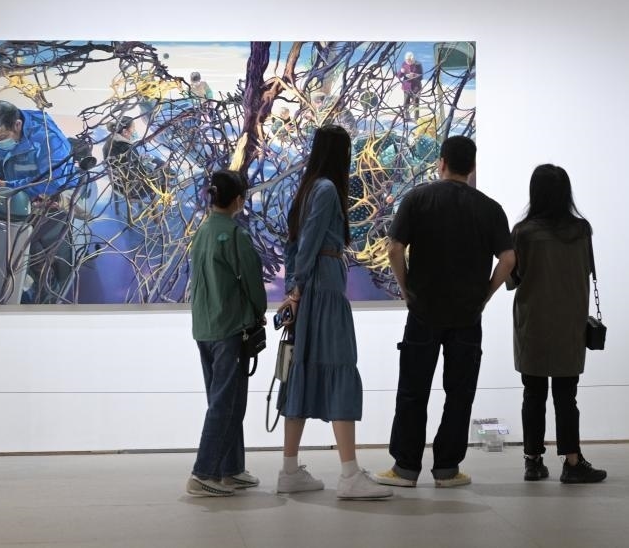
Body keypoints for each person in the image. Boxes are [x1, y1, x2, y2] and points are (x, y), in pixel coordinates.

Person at [375, 136, 515, 488]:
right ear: (472, 167)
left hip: (424, 309)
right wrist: (486, 294)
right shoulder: (489, 208)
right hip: (467, 314)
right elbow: (509, 259)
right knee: (459, 393)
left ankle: (405, 469)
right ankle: (447, 469)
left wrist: (406, 288)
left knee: (413, 390)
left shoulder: (418, 198)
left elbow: (394, 249)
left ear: (441, 163)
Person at [278, 124, 392, 500]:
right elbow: (309, 241)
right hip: (323, 289)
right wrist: (297, 287)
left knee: (301, 372)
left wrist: (293, 289)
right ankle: (349, 474)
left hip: (311, 290)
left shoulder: (309, 188)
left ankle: (290, 471)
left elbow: (294, 243)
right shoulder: (327, 189)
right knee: (341, 366)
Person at [509, 165, 607, 484]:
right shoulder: (581, 230)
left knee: (532, 393)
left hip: (532, 323)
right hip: (569, 323)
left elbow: (513, 278)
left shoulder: (523, 232)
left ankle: (533, 461)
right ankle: (573, 462)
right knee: (566, 395)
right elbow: (586, 271)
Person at [186, 170, 267, 497]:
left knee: (223, 400)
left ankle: (231, 468)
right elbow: (253, 284)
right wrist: (259, 312)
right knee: (226, 404)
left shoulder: (202, 232)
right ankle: (203, 473)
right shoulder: (235, 235)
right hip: (230, 327)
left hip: (204, 327)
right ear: (238, 200)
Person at [0, 99, 79, 302]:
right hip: (19, 205)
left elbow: (53, 181)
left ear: (17, 124)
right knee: (27, 260)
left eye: (1, 137)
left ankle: (53, 303)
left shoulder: (48, 138)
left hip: (52, 203)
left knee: (56, 260)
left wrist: (10, 186)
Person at [397, 52, 422, 121]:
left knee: (416, 104)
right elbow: (399, 76)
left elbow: (421, 76)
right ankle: (407, 117)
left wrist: (415, 75)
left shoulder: (418, 65)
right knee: (406, 104)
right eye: (407, 60)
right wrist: (401, 71)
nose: (408, 62)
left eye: (410, 60)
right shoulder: (404, 64)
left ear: (413, 59)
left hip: (416, 88)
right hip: (406, 87)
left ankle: (417, 118)